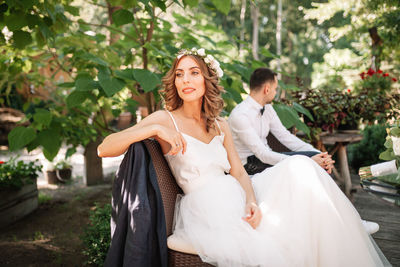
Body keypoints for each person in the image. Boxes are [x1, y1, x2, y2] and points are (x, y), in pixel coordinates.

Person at [98, 48, 389, 266]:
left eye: (194, 72)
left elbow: (238, 173)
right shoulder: (165, 118)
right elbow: (105, 147)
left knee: (300, 166)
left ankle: (340, 226)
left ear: (206, 80)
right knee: (276, 239)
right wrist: (156, 127)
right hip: (207, 205)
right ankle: (340, 226)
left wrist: (251, 200)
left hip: (239, 191)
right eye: (179, 74)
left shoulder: (219, 124)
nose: (185, 79)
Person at [228, 67, 379, 235]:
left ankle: (349, 221)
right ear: (267, 89)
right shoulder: (239, 115)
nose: (276, 93)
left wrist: (317, 154)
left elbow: (287, 138)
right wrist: (307, 160)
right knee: (309, 164)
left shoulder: (268, 109)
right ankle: (350, 222)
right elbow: (262, 154)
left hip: (266, 159)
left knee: (316, 162)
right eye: (276, 89)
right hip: (249, 165)